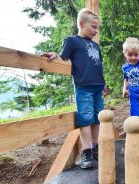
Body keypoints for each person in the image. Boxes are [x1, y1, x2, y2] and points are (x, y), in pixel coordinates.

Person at [42, 8, 106, 169]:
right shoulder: (72, 41)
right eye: (93, 27)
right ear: (81, 23)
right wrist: (55, 56)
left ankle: (96, 147)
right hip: (83, 86)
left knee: (98, 118)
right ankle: (87, 152)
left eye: (97, 28)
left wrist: (104, 83)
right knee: (85, 118)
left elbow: (99, 65)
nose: (96, 30)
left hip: (98, 86)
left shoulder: (95, 45)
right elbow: (63, 57)